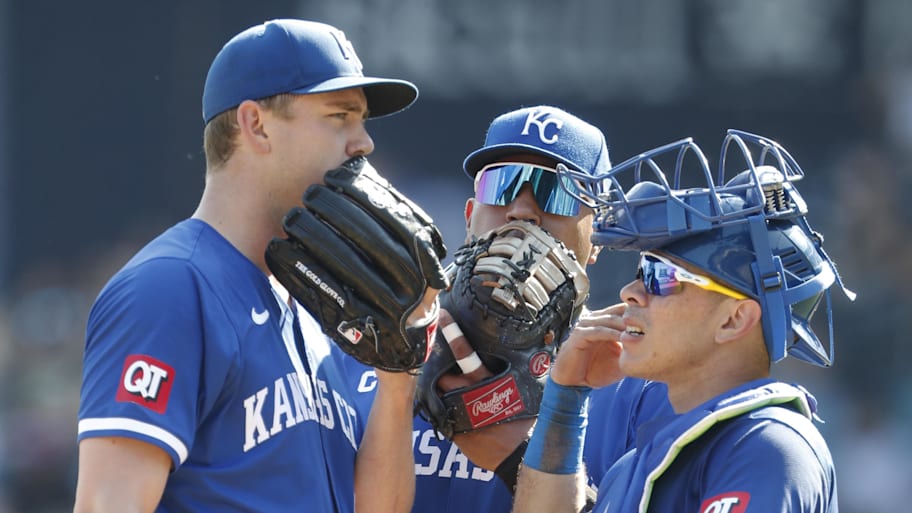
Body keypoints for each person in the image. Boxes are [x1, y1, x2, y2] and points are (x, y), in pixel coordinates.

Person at [73, 19, 437, 513]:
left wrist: (399, 379)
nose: (363, 142)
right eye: (339, 115)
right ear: (256, 124)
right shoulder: (170, 288)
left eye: (362, 119)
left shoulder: (324, 304)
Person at [343, 105, 671, 513]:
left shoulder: (638, 383)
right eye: (501, 185)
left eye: (557, 191)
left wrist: (519, 459)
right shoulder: (370, 352)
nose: (521, 211)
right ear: (469, 216)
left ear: (598, 237)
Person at [512, 130, 855, 513]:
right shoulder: (632, 465)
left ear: (734, 319)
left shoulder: (767, 445)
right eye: (642, 269)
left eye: (661, 276)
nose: (630, 291)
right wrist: (563, 403)